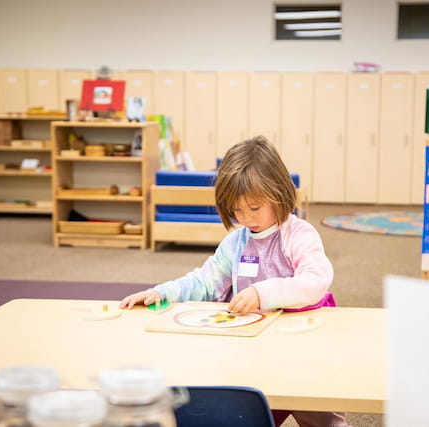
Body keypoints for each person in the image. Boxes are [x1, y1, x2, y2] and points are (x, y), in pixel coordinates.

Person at [120, 135, 348, 426]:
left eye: (254, 208)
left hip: (302, 351)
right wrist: (161, 292)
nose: (246, 218)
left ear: (278, 192)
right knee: (248, 412)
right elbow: (204, 281)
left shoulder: (298, 234)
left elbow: (316, 281)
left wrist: (262, 292)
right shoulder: (235, 243)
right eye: (237, 210)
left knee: (320, 418)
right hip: (254, 349)